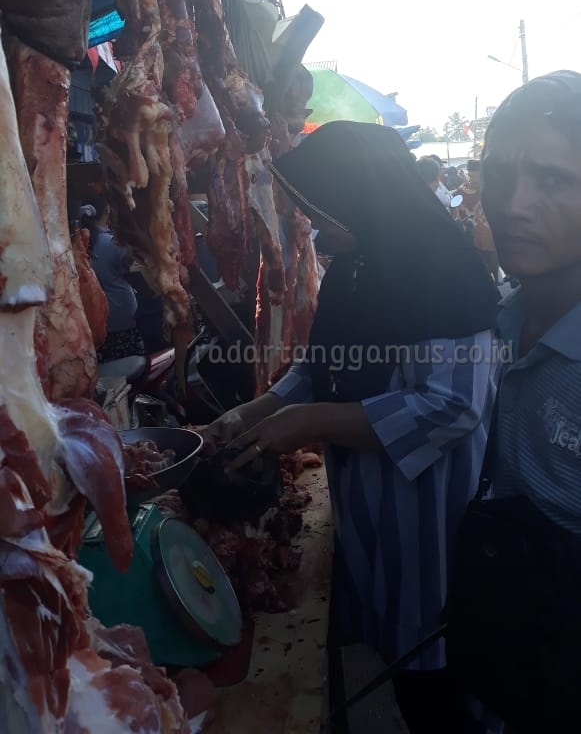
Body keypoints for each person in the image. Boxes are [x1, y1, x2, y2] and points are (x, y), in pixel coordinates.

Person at [203, 122, 499, 734]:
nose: (309, 223)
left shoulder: (445, 272)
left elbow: (452, 405)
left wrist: (308, 421)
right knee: (396, 652)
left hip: (428, 519)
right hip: (368, 505)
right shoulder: (356, 265)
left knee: (437, 675)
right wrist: (254, 412)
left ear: (362, 192)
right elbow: (320, 367)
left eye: (317, 207)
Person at [447, 71, 581, 732]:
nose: (512, 204)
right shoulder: (504, 319)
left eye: (552, 180)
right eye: (498, 174)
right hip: (513, 646)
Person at [85, 196, 145, 362]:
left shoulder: (83, 241)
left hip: (97, 317)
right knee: (132, 363)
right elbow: (134, 262)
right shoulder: (109, 242)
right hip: (121, 313)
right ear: (107, 211)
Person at [460, 161, 499, 282]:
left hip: (491, 231)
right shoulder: (462, 190)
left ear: (480, 174)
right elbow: (459, 210)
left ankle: (497, 278)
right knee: (480, 260)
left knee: (493, 258)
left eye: (473, 175)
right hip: (474, 232)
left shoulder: (492, 188)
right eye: (469, 175)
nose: (470, 178)